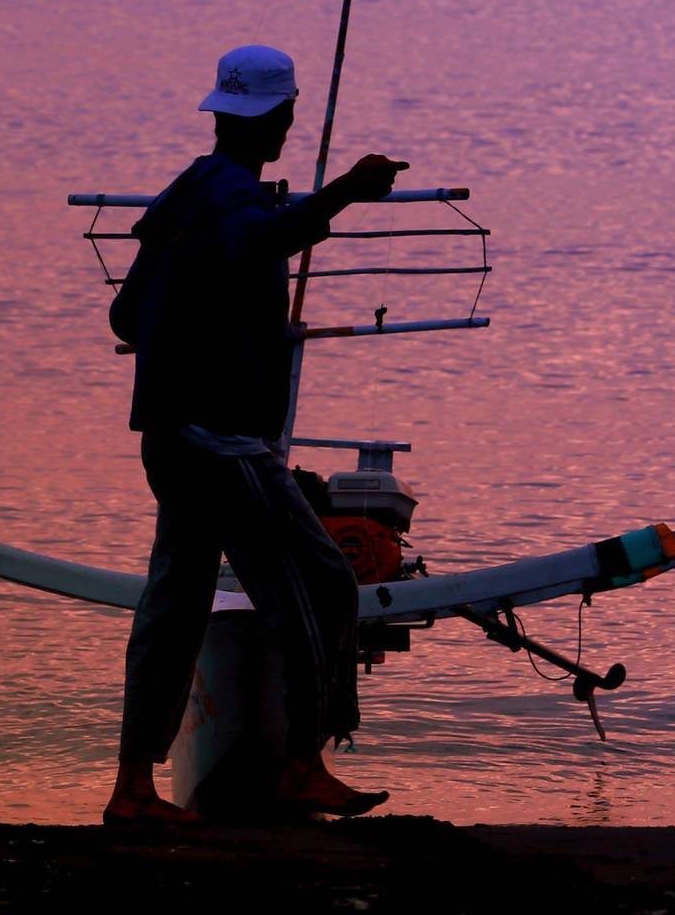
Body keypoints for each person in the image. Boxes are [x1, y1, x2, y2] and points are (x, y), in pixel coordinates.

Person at [103, 42, 408, 826]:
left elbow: (125, 315)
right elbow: (255, 241)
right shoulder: (236, 196)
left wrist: (196, 319)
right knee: (320, 581)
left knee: (176, 604)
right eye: (286, 114)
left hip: (169, 438)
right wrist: (342, 192)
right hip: (222, 443)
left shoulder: (187, 191)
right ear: (281, 117)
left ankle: (134, 786)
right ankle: (303, 762)